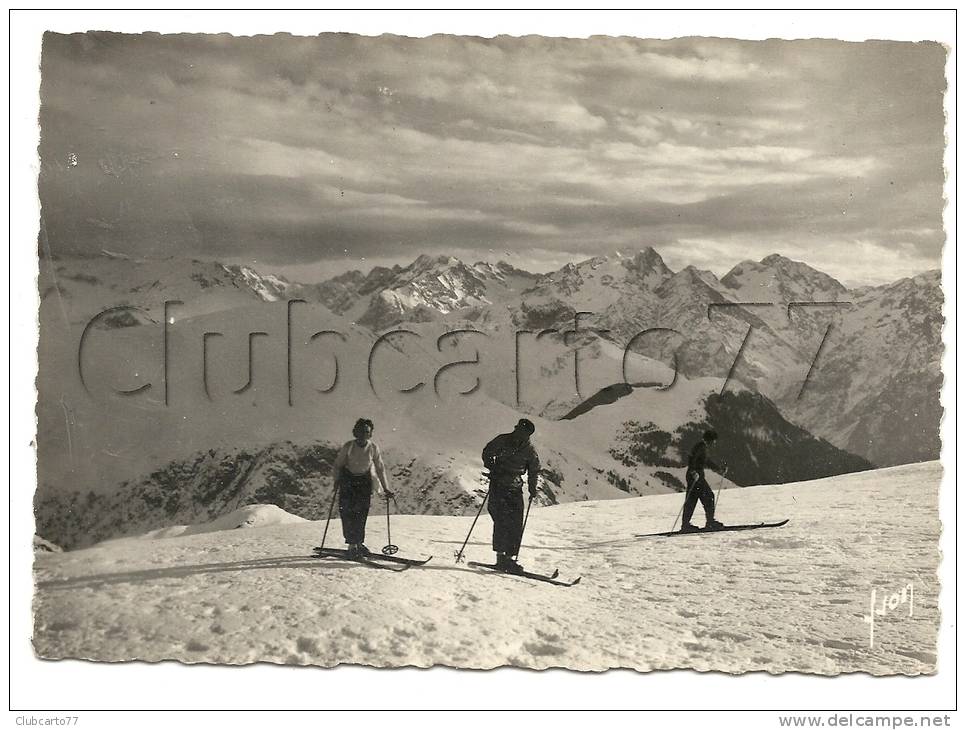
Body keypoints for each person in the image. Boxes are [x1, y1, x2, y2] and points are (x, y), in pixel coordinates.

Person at [481, 418, 541, 574]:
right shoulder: (525, 448)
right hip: (502, 486)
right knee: (503, 521)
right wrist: (492, 466)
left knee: (513, 523)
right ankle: (504, 559)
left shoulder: (525, 448)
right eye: (517, 429)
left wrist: (533, 489)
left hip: (510, 487)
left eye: (520, 431)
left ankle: (506, 558)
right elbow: (487, 452)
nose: (517, 432)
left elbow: (534, 471)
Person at [331, 418, 393, 556]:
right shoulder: (348, 446)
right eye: (361, 431)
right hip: (348, 481)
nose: (363, 434)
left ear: (370, 434)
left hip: (364, 482)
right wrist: (336, 481)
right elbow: (337, 465)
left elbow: (380, 468)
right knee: (347, 513)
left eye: (366, 432)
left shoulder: (373, 448)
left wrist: (386, 488)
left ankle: (359, 543)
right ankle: (352, 545)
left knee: (361, 514)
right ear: (355, 432)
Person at [681, 429, 725, 532]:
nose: (714, 443)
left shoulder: (702, 446)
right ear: (710, 440)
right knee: (709, 497)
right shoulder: (701, 447)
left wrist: (719, 468)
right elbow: (692, 459)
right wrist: (693, 472)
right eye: (714, 441)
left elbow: (705, 461)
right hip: (696, 476)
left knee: (692, 500)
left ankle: (685, 525)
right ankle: (710, 522)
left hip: (694, 476)